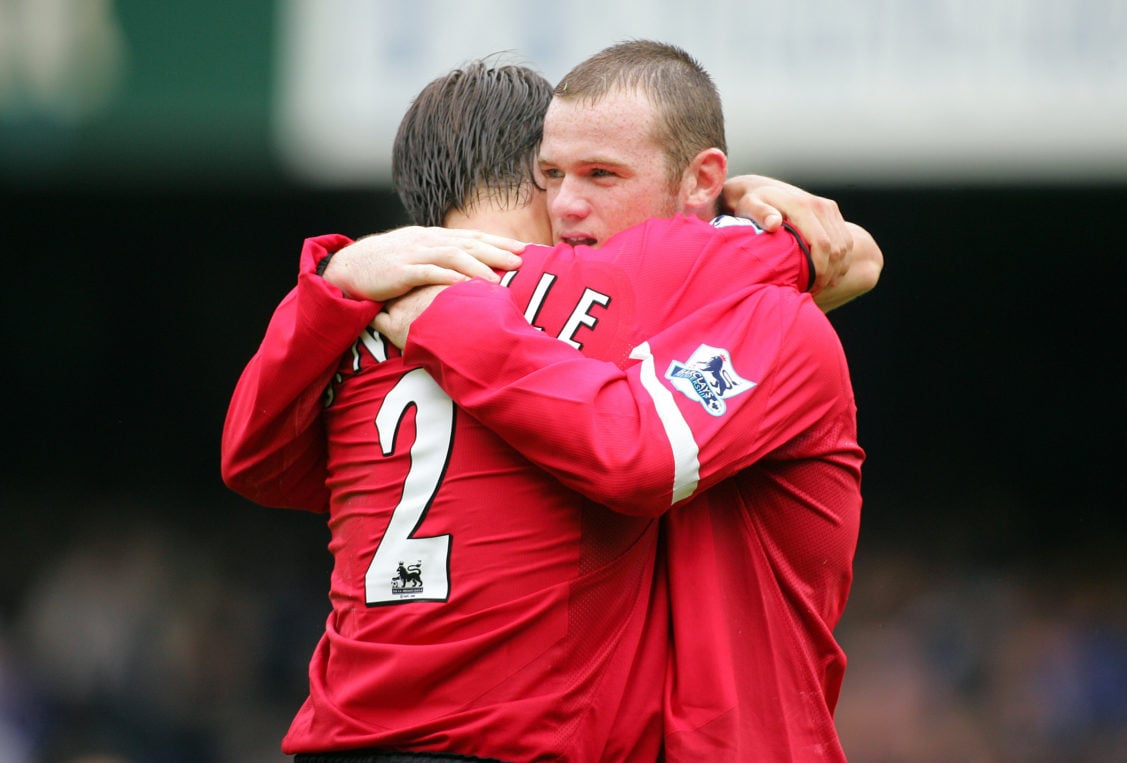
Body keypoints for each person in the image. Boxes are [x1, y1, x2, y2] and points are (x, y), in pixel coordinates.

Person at [222, 49, 879, 763]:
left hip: (343, 737)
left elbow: (253, 462)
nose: (568, 204)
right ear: (528, 175)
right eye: (553, 176)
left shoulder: (355, 315)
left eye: (600, 175)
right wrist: (798, 244)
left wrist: (336, 279)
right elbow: (838, 257)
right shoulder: (616, 294)